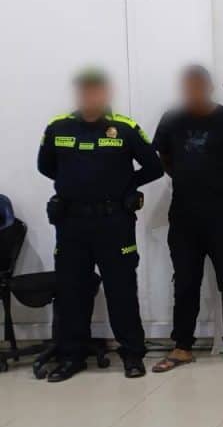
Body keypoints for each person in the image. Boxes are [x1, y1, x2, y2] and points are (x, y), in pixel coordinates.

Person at [36, 69, 163, 382]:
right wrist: (76, 187)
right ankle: (71, 356)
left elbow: (154, 167)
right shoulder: (58, 127)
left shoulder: (124, 128)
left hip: (113, 222)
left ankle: (132, 355)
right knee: (71, 291)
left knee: (122, 290)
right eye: (85, 91)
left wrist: (125, 185)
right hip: (71, 223)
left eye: (96, 91)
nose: (90, 97)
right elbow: (46, 166)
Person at [152, 66, 223, 372]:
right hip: (184, 217)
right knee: (185, 283)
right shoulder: (171, 120)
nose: (194, 91)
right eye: (188, 86)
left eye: (199, 85)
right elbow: (165, 160)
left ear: (210, 87)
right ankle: (182, 346)